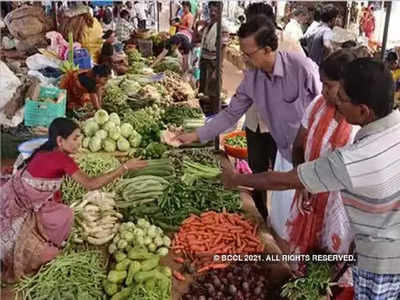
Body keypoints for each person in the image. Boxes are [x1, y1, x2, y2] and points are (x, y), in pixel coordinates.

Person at [221, 58, 400, 300]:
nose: (336, 101)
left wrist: (235, 180)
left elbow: (283, 181)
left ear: (363, 111)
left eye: (343, 99)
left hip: (381, 261)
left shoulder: (357, 159)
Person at [175, 16, 321, 240]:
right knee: (286, 220)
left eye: (248, 53)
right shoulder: (252, 79)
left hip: (314, 156)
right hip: (285, 153)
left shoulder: (300, 67)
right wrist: (195, 135)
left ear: (268, 49)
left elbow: (324, 105)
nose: (243, 58)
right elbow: (231, 113)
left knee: (313, 219)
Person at [0, 118, 147, 282]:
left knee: (64, 213)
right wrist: (124, 167)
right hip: (18, 208)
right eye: (75, 138)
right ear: (60, 141)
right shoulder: (62, 159)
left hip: (12, 195)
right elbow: (91, 184)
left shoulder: (44, 148)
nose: (80, 142)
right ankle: (36, 245)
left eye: (80, 137)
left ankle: (43, 235)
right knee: (51, 245)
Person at [288, 49, 361, 259]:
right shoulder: (318, 106)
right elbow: (298, 146)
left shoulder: (357, 123)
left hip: (339, 207)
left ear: (346, 85)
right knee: (304, 258)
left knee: (331, 263)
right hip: (308, 195)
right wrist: (302, 183)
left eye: (328, 85)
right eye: (322, 83)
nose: (322, 90)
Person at [243, 2, 305, 224]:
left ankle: (284, 224)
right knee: (256, 170)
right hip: (255, 121)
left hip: (283, 125)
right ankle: (261, 217)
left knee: (283, 176)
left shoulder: (289, 44)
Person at [196, 1, 229, 116]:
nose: (213, 13)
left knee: (214, 91)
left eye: (216, 10)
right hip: (205, 61)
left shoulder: (223, 27)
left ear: (221, 11)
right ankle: (206, 114)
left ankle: (215, 115)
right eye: (211, 10)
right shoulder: (208, 24)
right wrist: (197, 25)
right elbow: (198, 38)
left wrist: (217, 69)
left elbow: (223, 49)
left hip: (214, 63)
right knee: (204, 89)